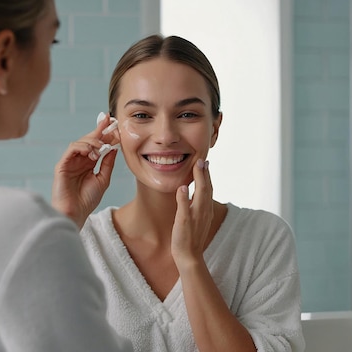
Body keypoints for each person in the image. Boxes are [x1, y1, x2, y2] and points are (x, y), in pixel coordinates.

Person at [52, 34, 305, 352]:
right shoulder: (78, 239)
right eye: (142, 115)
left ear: (215, 128)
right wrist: (63, 223)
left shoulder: (264, 239)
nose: (165, 136)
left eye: (187, 115)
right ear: (113, 127)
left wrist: (191, 262)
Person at [0, 0, 133, 350]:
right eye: (52, 42)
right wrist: (39, 238)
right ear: (3, 59)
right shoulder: (13, 233)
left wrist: (58, 224)